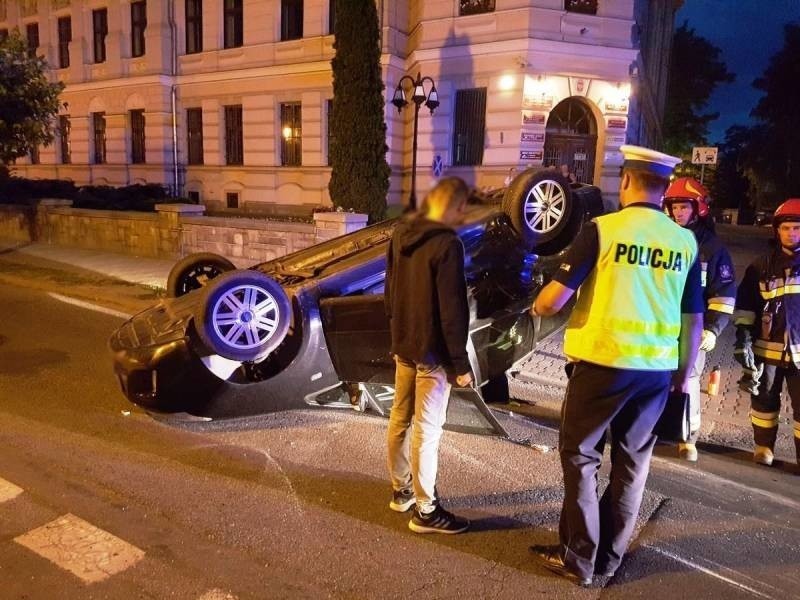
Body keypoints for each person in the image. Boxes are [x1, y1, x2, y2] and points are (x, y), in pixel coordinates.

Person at [528, 145, 704, 586]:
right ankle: (608, 557)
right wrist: (684, 376)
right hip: (656, 375)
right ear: (664, 190)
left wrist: (537, 303)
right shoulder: (684, 241)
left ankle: (580, 560)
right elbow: (694, 319)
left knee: (581, 457)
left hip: (602, 365)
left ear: (626, 181)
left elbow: (553, 300)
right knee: (632, 465)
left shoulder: (603, 230)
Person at [384, 176, 473, 534]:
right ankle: (426, 510)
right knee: (428, 430)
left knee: (400, 418)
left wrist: (396, 332)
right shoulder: (447, 245)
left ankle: (401, 490)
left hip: (403, 344)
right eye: (464, 209)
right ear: (455, 206)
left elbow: (389, 292)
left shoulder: (400, 233)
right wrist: (460, 365)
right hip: (432, 352)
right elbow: (452, 311)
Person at [664, 177, 736, 461]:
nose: (678, 213)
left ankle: (687, 438)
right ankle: (654, 428)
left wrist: (713, 330)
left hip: (694, 328)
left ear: (698, 209)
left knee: (690, 379)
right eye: (675, 207)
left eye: (684, 207)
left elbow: (724, 294)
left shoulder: (713, 249)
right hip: (662, 327)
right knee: (657, 378)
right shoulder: (664, 239)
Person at [733, 198, 800, 467]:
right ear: (777, 230)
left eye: (797, 228)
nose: (791, 233)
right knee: (764, 401)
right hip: (766, 349)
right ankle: (763, 448)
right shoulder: (760, 266)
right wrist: (743, 340)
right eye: (786, 228)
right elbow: (747, 306)